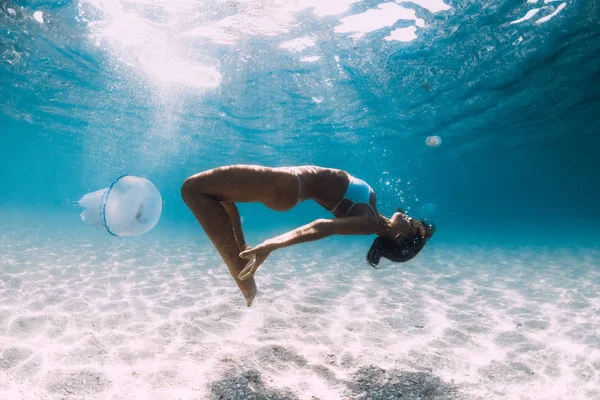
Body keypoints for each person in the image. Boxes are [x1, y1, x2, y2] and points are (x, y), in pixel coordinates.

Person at [181, 165, 435, 306]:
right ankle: (241, 260)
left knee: (193, 188)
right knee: (214, 196)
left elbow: (321, 227)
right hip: (286, 183)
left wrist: (271, 244)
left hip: (288, 184)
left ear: (400, 238)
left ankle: (240, 269)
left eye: (414, 228)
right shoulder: (372, 212)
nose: (412, 220)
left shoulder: (368, 223)